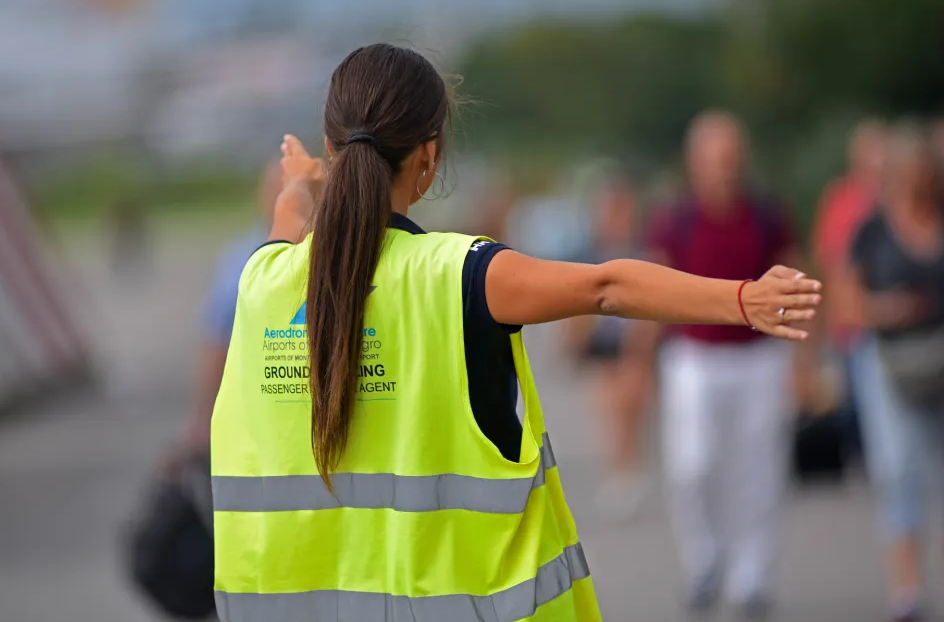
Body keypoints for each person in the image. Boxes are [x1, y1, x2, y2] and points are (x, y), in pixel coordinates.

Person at [209, 45, 821, 622]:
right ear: (430, 155)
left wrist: (302, 182)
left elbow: (288, 215)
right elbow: (606, 286)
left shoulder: (262, 279)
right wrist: (743, 298)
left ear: (329, 147)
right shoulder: (461, 274)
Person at [630, 111, 805, 618]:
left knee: (758, 466)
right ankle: (705, 559)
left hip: (758, 356)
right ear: (696, 163)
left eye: (733, 159)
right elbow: (651, 289)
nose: (726, 170)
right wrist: (639, 361)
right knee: (692, 465)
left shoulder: (767, 215)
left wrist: (805, 358)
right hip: (694, 357)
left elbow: (797, 278)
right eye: (716, 159)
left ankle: (751, 573)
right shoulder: (676, 219)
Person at [847, 123, 944, 622]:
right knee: (899, 470)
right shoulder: (873, 230)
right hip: (889, 362)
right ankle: (908, 589)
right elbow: (848, 301)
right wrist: (888, 311)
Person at [163, 160, 283, 469]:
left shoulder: (246, 256)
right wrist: (202, 418)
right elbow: (217, 341)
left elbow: (216, 338)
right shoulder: (244, 260)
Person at [564, 167, 651, 519]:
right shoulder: (589, 248)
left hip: (632, 335)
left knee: (630, 404)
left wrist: (643, 340)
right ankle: (617, 470)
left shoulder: (640, 248)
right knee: (608, 407)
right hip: (602, 339)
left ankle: (630, 468)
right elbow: (572, 298)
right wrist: (574, 340)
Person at [812, 120, 888, 462]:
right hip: (857, 324)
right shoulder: (843, 202)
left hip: (900, 322)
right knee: (867, 408)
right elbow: (832, 265)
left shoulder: (902, 198)